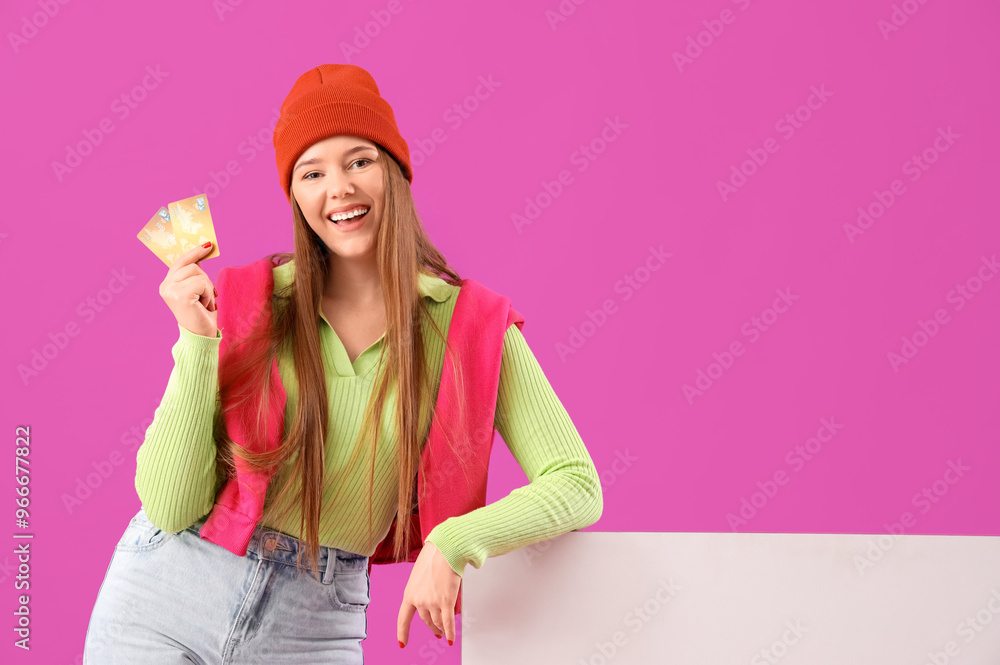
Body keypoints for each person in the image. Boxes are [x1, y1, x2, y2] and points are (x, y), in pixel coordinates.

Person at [83, 63, 604, 664]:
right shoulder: (248, 302)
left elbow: (576, 483)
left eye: (360, 161)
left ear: (396, 170)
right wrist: (197, 344)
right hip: (165, 598)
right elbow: (171, 507)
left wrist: (453, 541)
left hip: (314, 622)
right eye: (313, 172)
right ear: (296, 195)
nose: (339, 188)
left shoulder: (470, 327)